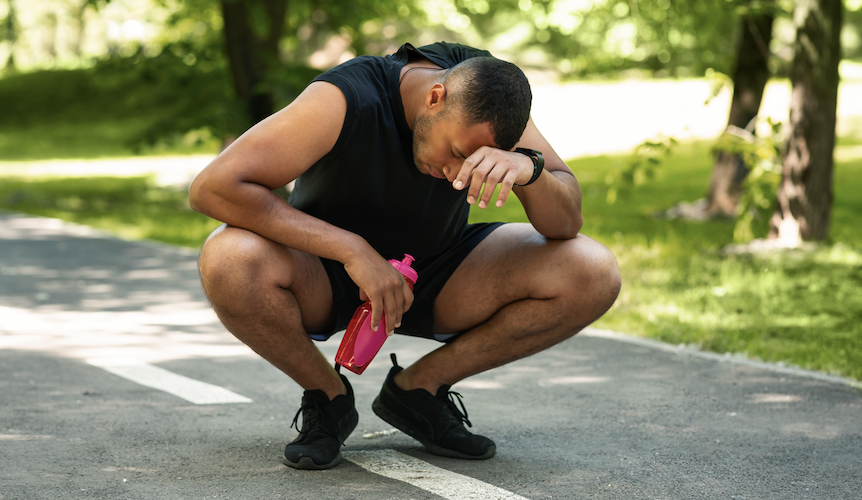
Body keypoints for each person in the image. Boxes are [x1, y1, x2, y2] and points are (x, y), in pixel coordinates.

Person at [189, 41, 621, 470]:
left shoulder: (492, 94)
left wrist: (531, 169)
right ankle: (328, 398)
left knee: (592, 270)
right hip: (325, 271)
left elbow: (564, 224)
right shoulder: (345, 98)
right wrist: (352, 249)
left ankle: (418, 392)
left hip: (438, 270)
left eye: (473, 162)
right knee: (228, 256)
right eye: (455, 154)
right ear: (436, 98)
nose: (457, 177)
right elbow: (213, 187)